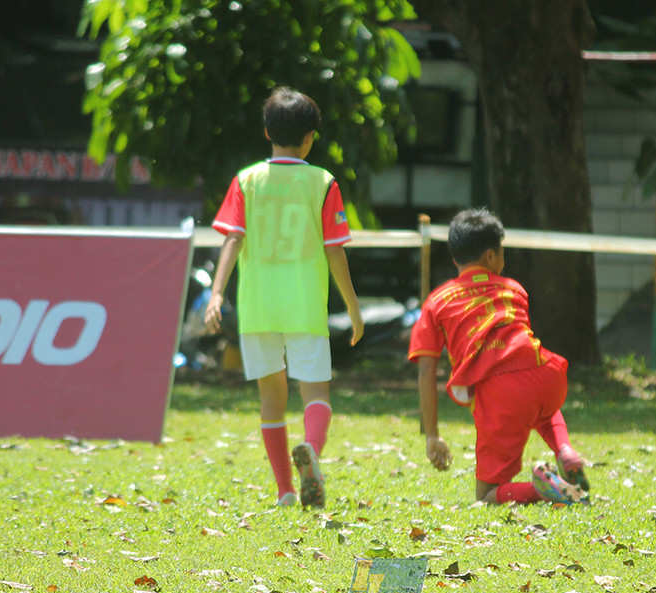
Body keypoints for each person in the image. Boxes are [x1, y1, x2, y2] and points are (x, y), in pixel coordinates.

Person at [205, 87, 364, 509]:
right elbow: (335, 250)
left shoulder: (247, 180)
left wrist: (217, 293)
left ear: (266, 132)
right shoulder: (323, 182)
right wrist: (352, 305)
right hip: (305, 307)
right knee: (316, 396)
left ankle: (285, 492)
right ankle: (311, 449)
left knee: (271, 402)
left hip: (258, 307)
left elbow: (232, 240)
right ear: (311, 137)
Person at [408, 208, 589, 506]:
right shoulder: (514, 289)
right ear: (492, 256)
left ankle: (544, 489)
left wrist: (432, 435)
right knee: (542, 407)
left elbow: (427, 371)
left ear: (455, 259)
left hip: (500, 391)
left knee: (488, 494)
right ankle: (565, 451)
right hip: (546, 372)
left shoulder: (437, 301)